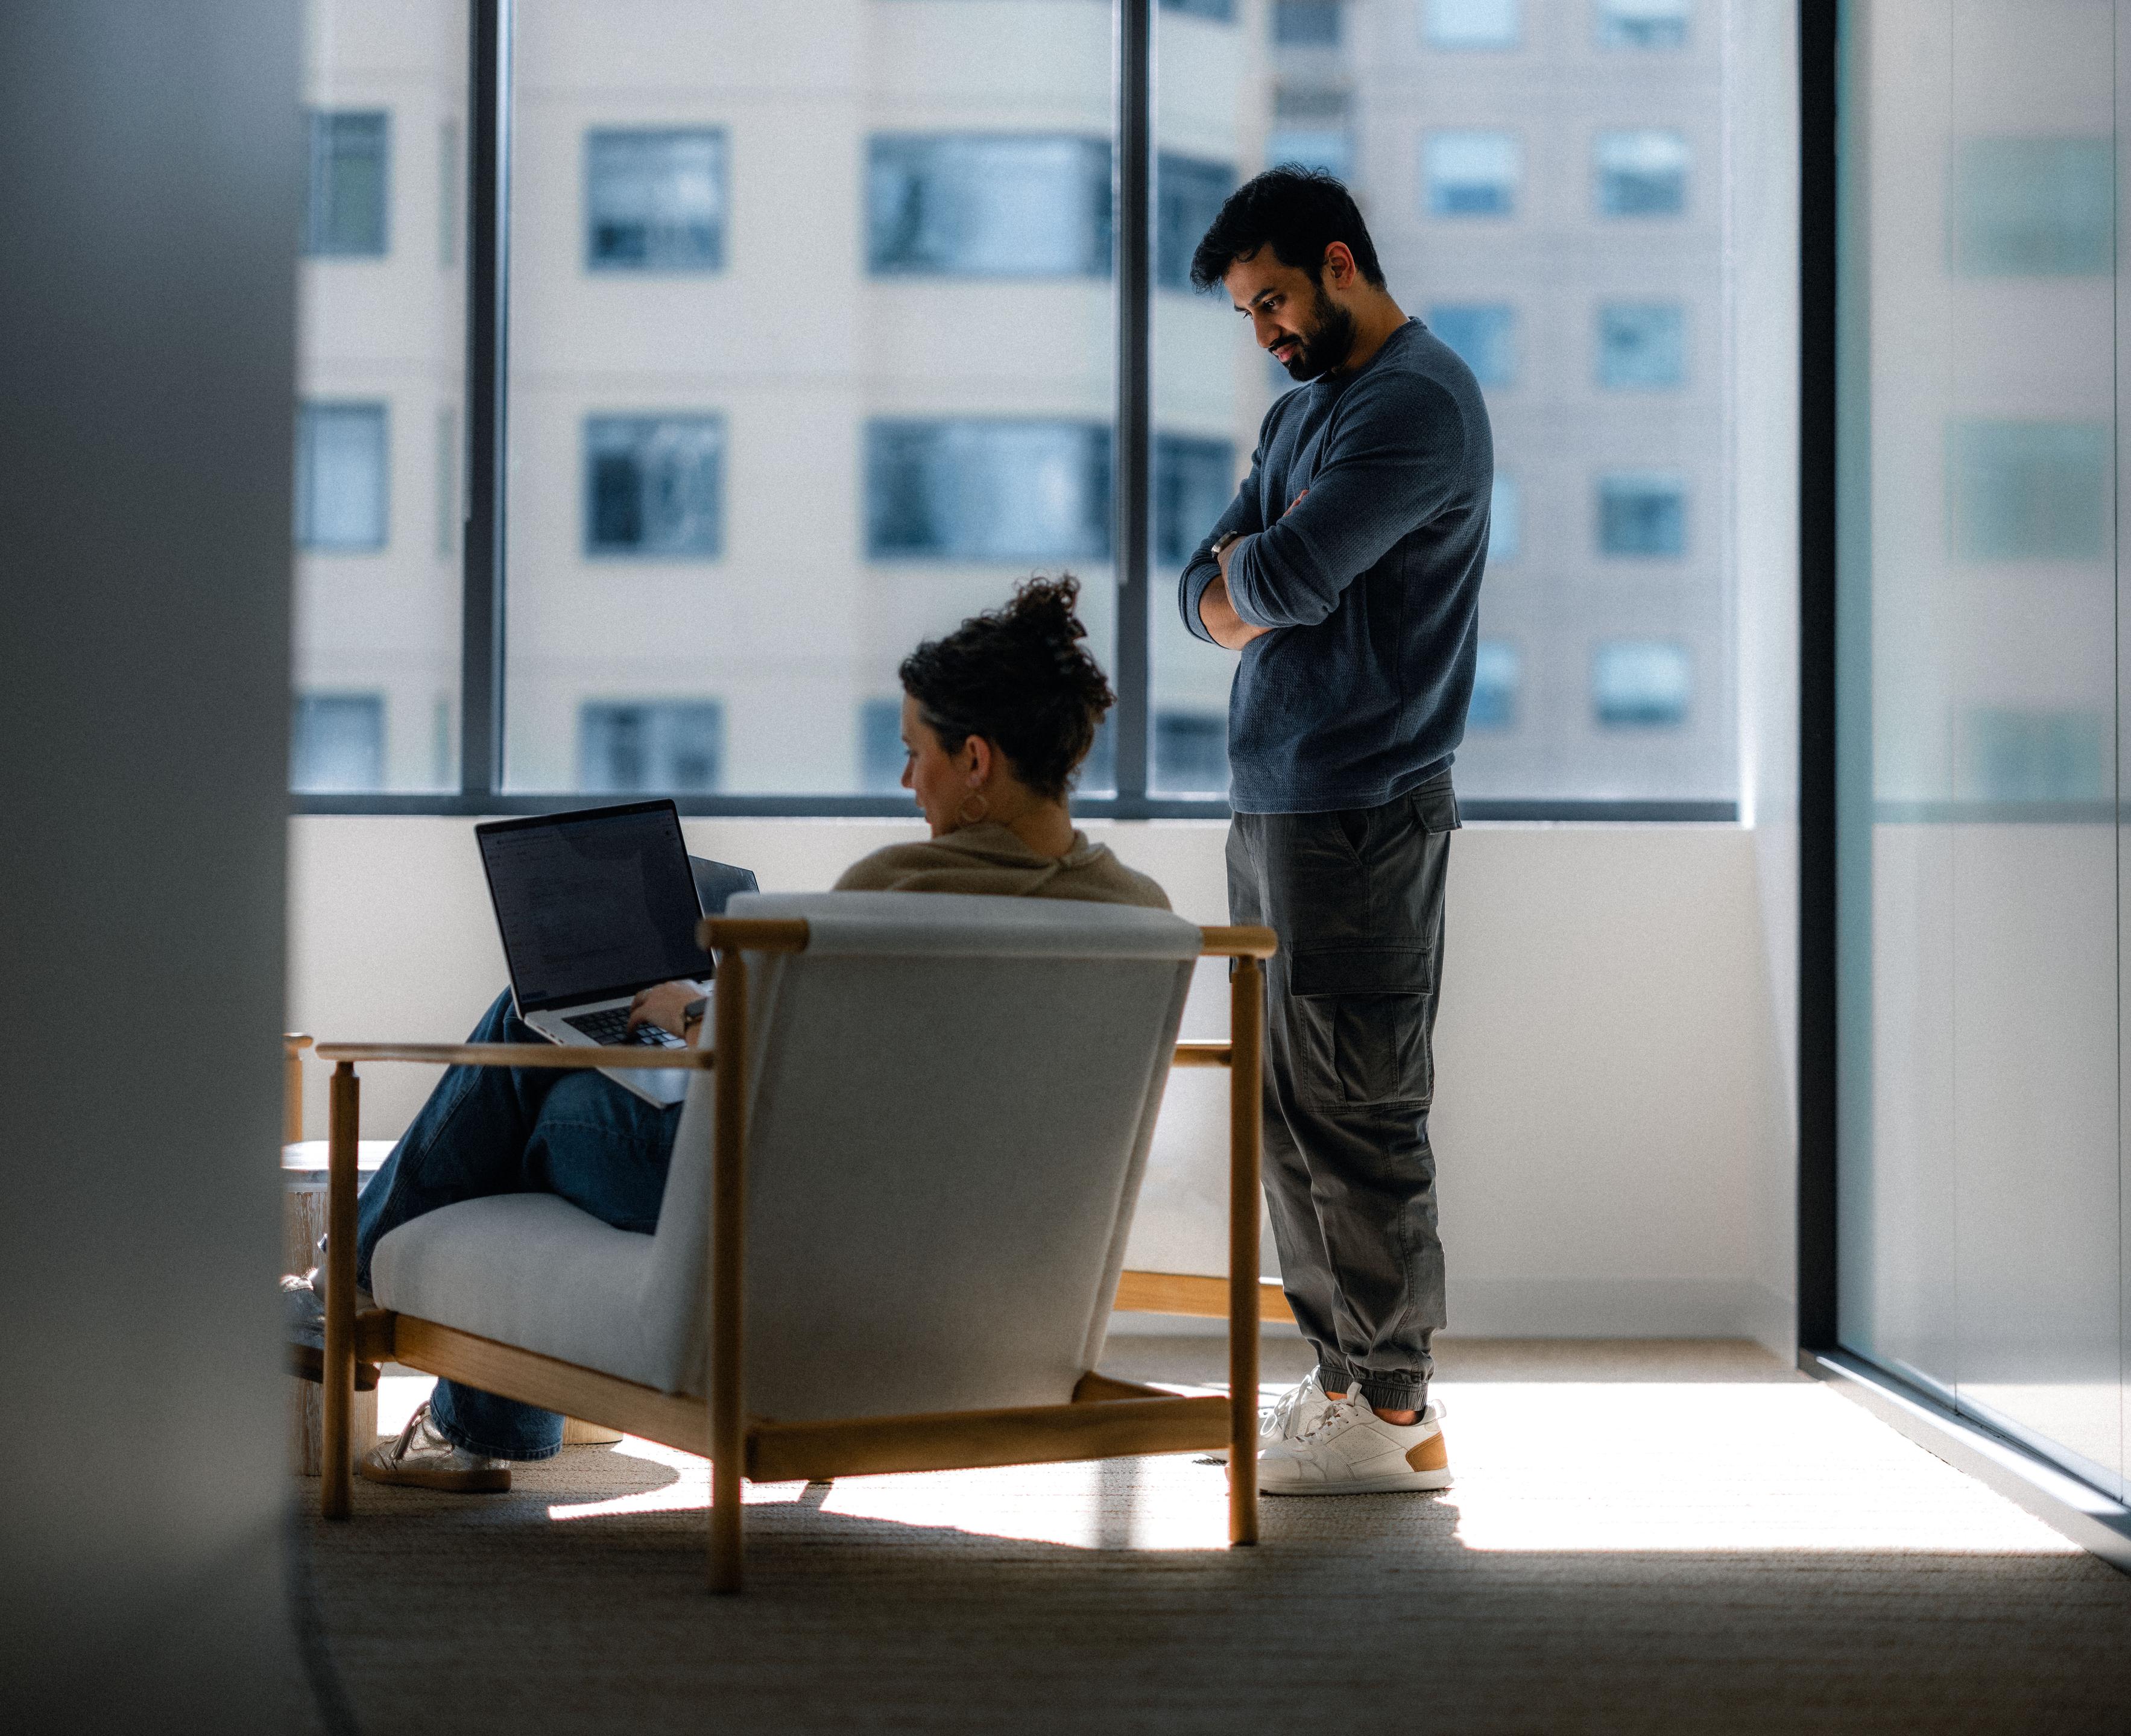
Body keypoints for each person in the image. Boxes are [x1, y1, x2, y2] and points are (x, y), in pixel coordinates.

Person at [285, 578, 1166, 1492]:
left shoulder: (899, 895)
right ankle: (457, 1417)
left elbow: (783, 1072)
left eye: (916, 754)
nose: (908, 782)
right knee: (566, 1073)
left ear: (977, 759)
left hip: (774, 1218)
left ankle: (348, 1290)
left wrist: (693, 1010)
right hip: (978, 1254)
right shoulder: (1141, 916)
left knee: (540, 1056)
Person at [1178, 167, 1491, 1495]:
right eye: (1251, 314)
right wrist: (1250, 579)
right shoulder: (1304, 410)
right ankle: (1346, 1378)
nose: (1267, 333)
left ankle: (1402, 1408)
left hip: (1363, 808)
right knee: (1291, 1114)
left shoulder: (1414, 404)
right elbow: (1200, 587)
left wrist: (1260, 574)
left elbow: (1285, 576)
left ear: (1341, 263)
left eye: (1275, 302)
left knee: (1360, 1105)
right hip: (1278, 804)